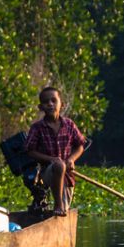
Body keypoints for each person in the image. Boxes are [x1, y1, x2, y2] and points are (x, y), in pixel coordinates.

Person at [24, 86, 86, 217]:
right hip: (47, 173)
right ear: (41, 107)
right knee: (58, 165)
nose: (50, 104)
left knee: (64, 213)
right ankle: (58, 205)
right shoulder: (37, 128)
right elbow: (29, 151)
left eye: (53, 101)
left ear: (61, 105)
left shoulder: (69, 125)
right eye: (46, 102)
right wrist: (52, 160)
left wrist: (71, 159)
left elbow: (80, 145)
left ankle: (60, 209)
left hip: (67, 175)